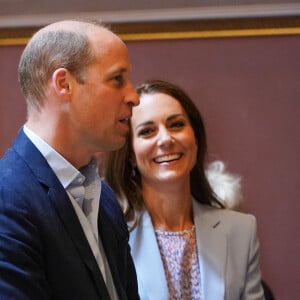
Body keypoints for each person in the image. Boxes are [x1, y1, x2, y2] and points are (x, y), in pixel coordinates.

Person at [0, 20, 140, 299]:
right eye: (117, 80)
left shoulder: (105, 197)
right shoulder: (7, 201)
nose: (134, 97)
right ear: (64, 84)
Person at [104, 79, 265, 299]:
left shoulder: (241, 230)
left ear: (195, 140)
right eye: (147, 131)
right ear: (131, 154)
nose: (166, 139)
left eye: (176, 125)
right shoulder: (109, 236)